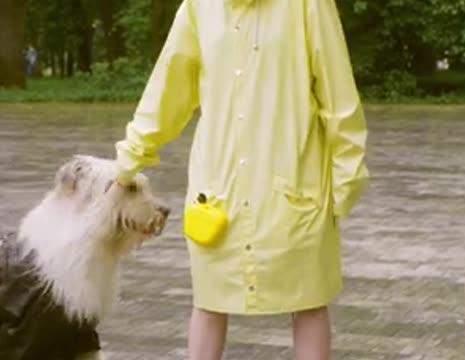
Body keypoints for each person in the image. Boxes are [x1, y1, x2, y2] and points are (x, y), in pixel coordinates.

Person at [112, 0, 369, 359]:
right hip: (218, 188)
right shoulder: (199, 7)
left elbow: (339, 98)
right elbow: (167, 89)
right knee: (209, 300)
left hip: (294, 185)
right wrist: (128, 159)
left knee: (309, 299)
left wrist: (346, 181)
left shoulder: (308, 5)